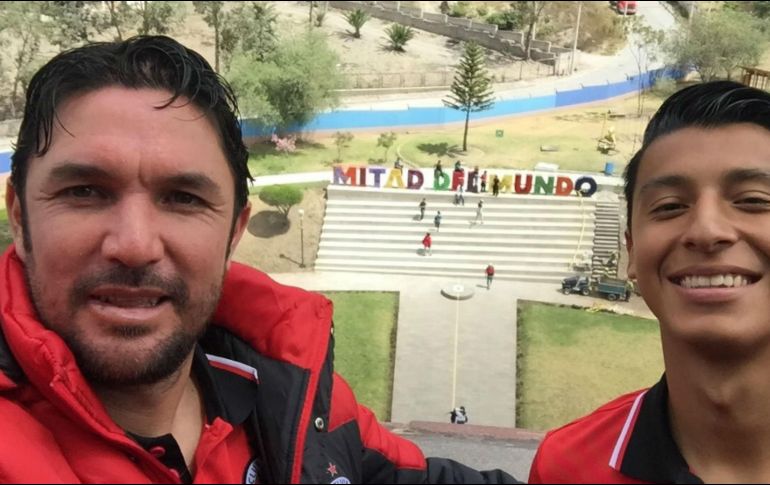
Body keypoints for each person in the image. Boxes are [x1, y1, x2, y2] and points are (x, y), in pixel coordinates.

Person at [1, 35, 518, 484]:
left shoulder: (293, 390)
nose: (135, 245)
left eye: (184, 198)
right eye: (85, 191)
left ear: (234, 233)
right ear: (20, 219)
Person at [529, 80, 770, 483]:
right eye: (670, 206)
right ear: (632, 251)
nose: (707, 230)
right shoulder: (567, 467)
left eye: (754, 200)